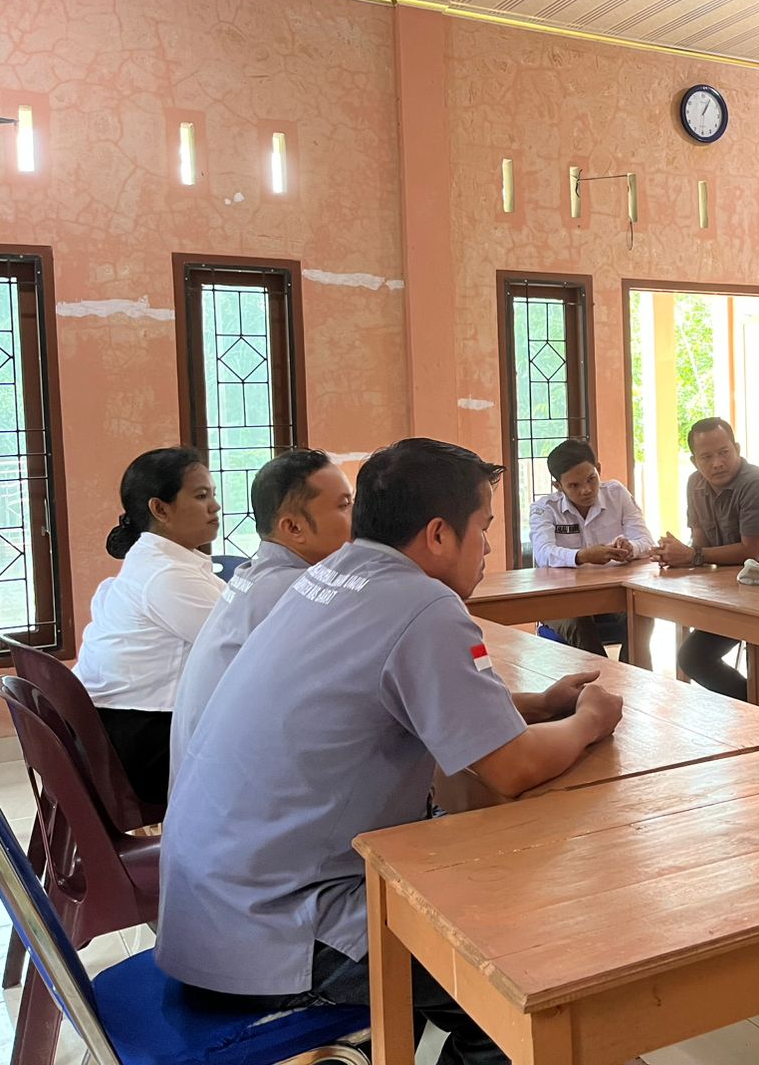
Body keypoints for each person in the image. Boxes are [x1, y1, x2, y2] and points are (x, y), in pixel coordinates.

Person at [158, 438, 623, 1064]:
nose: (488, 545)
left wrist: (537, 706)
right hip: (282, 929)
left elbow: (405, 697)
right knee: (529, 996)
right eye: (482, 528)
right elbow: (512, 768)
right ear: (437, 534)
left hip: (212, 903)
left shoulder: (327, 576)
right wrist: (590, 720)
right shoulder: (421, 602)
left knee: (480, 887)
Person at [168, 449, 355, 790]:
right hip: (231, 800)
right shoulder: (299, 593)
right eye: (344, 505)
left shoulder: (260, 577)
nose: (358, 517)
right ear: (293, 527)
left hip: (204, 793)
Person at [75, 446, 225, 807]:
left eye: (213, 495)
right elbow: (247, 646)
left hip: (121, 732)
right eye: (201, 496)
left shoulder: (162, 562)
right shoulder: (166, 576)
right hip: (142, 749)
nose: (215, 507)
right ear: (160, 509)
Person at [652, 417, 759, 701]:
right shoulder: (695, 484)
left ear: (737, 448)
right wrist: (673, 553)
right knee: (693, 658)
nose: (717, 463)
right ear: (694, 460)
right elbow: (700, 545)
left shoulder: (756, 484)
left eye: (724, 452)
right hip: (732, 593)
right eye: (706, 457)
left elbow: (751, 552)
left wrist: (692, 555)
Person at [528, 437, 654, 655]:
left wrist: (629, 548)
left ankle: (634, 684)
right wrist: (583, 556)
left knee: (641, 616)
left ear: (598, 469)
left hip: (612, 596)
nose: (586, 490)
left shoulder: (617, 494)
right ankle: (601, 684)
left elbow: (646, 542)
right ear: (558, 486)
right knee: (579, 624)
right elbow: (543, 553)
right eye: (574, 486)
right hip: (560, 599)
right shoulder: (544, 509)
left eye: (591, 479)